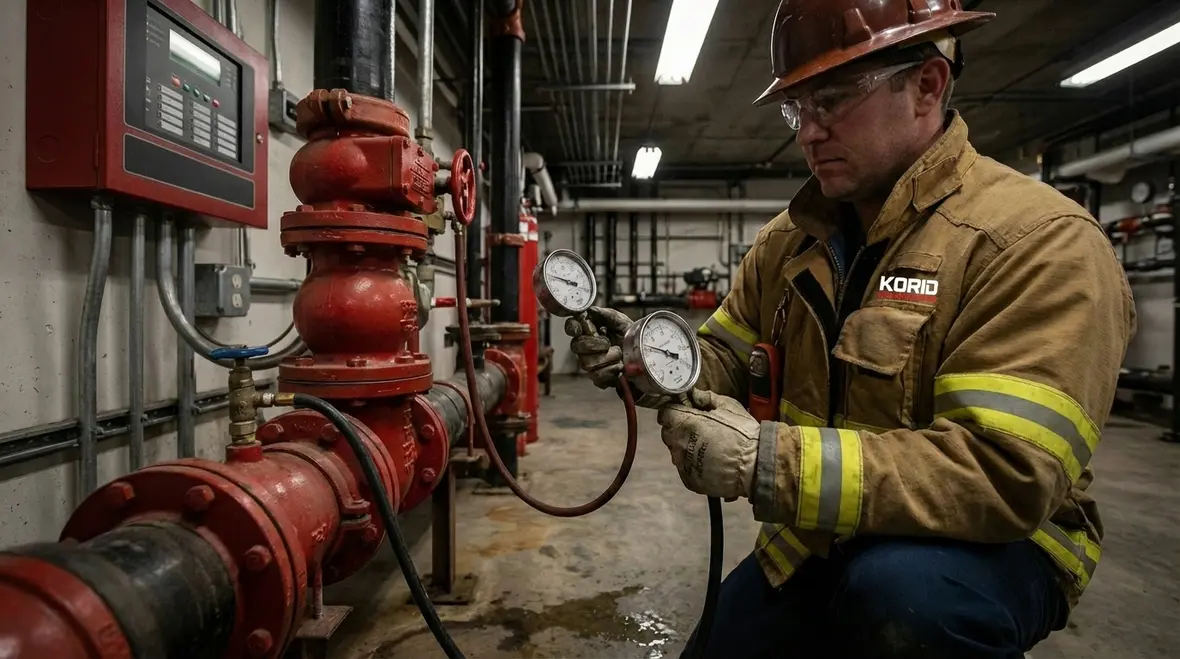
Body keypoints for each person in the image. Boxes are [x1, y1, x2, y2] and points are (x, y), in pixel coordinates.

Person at [565, 1, 1136, 657]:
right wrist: (648, 359)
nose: (809, 132)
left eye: (832, 100)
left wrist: (764, 461)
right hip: (821, 533)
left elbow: (1003, 471)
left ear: (927, 86)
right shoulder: (789, 241)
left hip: (987, 547)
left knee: (901, 601)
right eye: (797, 108)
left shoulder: (1037, 242)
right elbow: (725, 355)